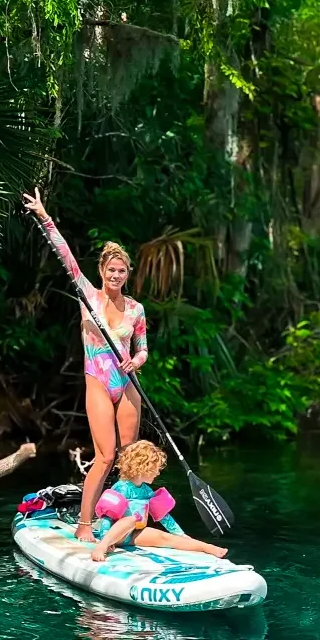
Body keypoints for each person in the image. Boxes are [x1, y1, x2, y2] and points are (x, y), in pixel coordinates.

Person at [24, 191, 147, 542]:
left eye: (122, 271)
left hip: (127, 385)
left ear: (127, 274)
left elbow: (143, 350)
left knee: (130, 458)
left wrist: (134, 361)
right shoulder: (87, 295)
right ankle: (85, 523)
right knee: (106, 456)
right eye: (112, 270)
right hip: (97, 380)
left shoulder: (136, 309)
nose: (117, 275)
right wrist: (45, 216)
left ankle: (128, 521)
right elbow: (65, 254)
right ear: (102, 271)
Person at [89, 441, 229, 562]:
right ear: (142, 467)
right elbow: (108, 516)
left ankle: (205, 547)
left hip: (135, 535)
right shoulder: (121, 487)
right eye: (155, 469)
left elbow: (165, 517)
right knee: (130, 520)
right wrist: (105, 539)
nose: (157, 473)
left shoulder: (147, 492)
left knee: (164, 537)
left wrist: (182, 535)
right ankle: (101, 547)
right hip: (115, 536)